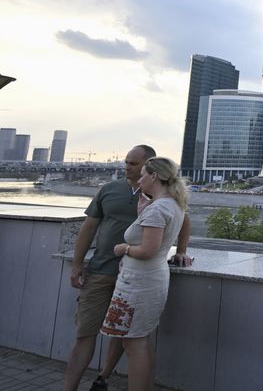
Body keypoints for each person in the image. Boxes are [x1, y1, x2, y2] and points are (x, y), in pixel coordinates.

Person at [62, 146, 192, 391]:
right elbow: (89, 226)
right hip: (104, 270)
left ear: (151, 169)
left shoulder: (160, 203)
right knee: (91, 332)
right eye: (127, 162)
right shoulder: (113, 190)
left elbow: (170, 232)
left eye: (135, 165)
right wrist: (78, 264)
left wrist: (180, 250)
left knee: (132, 338)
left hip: (136, 280)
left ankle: (103, 377)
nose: (127, 168)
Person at [99, 157, 188, 391]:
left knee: (133, 344)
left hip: (138, 283)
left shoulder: (158, 209)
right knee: (141, 340)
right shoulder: (172, 205)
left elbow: (148, 250)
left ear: (154, 176)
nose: (139, 181)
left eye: (143, 175)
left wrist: (124, 248)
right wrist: (142, 214)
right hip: (151, 279)